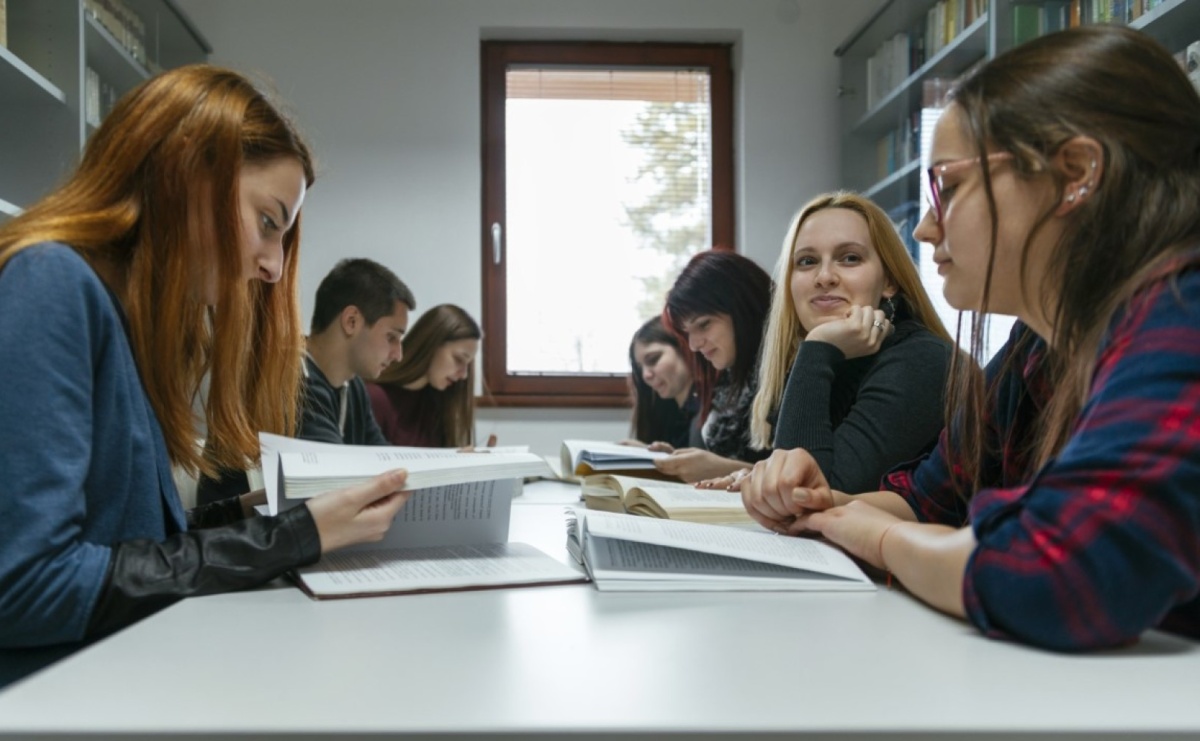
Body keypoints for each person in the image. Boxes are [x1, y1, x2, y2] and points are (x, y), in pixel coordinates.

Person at [741, 26, 1200, 651]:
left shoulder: (1182, 315)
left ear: (1075, 174)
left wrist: (876, 539)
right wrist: (818, 507)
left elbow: (1059, 576)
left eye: (948, 188)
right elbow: (932, 497)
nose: (927, 228)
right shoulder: (1037, 346)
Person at [0, 65, 413, 687]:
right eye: (269, 222)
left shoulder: (118, 318)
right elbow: (26, 586)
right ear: (187, 172)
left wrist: (252, 516)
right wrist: (291, 536)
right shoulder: (51, 284)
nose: (274, 267)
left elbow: (128, 544)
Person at [737, 192, 954, 493]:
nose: (824, 277)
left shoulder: (922, 360)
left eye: (850, 258)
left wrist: (817, 348)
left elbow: (804, 495)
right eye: (807, 261)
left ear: (889, 281)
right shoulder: (833, 362)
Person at [196, 257, 414, 504]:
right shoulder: (289, 379)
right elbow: (337, 485)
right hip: (234, 533)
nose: (398, 355)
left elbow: (381, 457)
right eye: (391, 337)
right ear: (351, 321)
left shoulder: (352, 386)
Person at [656, 250, 773, 482]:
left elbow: (808, 481)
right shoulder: (729, 377)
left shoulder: (790, 372)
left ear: (743, 308)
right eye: (687, 332)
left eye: (704, 325)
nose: (694, 345)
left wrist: (722, 469)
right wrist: (679, 461)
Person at [367, 303, 485, 448]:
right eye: (459, 359)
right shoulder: (374, 398)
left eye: (468, 364)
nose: (464, 375)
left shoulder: (438, 402)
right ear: (431, 344)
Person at [624, 316, 698, 450]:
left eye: (653, 359)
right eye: (640, 368)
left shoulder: (714, 415)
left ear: (685, 347)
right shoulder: (667, 415)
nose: (646, 375)